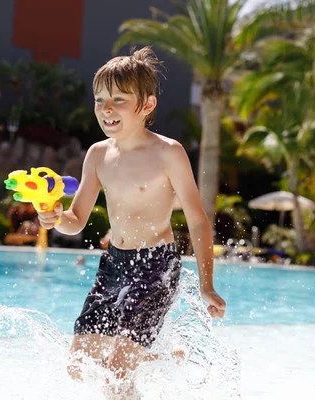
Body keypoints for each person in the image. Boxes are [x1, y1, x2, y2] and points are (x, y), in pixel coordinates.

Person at [37, 47, 226, 393]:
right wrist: (53, 217)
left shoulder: (168, 153)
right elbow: (75, 220)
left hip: (156, 266)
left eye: (119, 100)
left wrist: (206, 284)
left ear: (148, 105)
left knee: (117, 374)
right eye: (100, 100)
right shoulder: (97, 155)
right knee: (79, 367)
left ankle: (139, 359)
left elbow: (198, 221)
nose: (106, 109)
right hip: (113, 265)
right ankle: (164, 357)